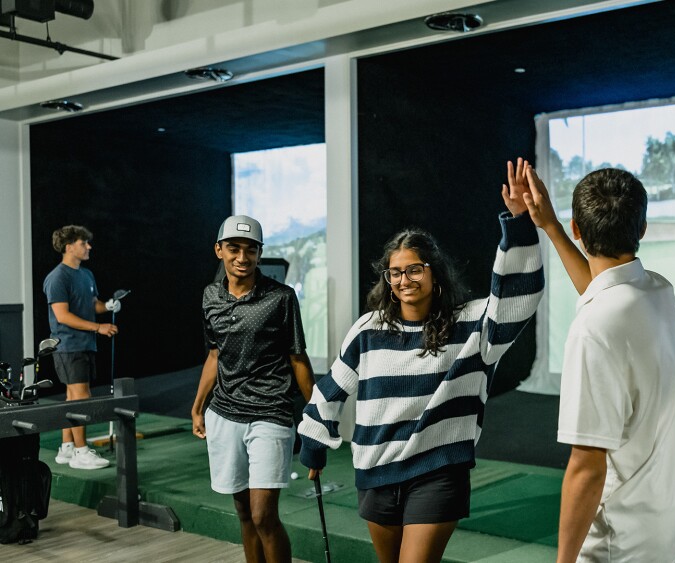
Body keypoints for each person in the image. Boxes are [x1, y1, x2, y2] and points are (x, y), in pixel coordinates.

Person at [297, 166, 544, 563]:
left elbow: (519, 297)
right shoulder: (368, 329)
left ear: (434, 272)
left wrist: (517, 225)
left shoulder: (472, 326)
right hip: (376, 473)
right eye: (395, 272)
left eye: (414, 269)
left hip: (437, 471)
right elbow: (333, 386)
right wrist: (314, 439)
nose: (404, 279)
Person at [514, 158, 675, 562]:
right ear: (642, 228)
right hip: (670, 525)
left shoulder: (594, 328)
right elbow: (603, 291)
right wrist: (551, 227)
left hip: (621, 544)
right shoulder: (658, 291)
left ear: (580, 229)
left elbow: (587, 466)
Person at [191, 215, 314, 563]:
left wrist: (318, 414)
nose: (242, 257)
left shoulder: (281, 298)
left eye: (250, 250)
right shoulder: (210, 297)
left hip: (270, 413)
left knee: (263, 515)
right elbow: (214, 355)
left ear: (260, 253)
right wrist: (199, 406)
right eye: (234, 249)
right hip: (225, 413)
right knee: (244, 514)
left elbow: (297, 358)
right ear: (219, 250)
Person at [44, 225, 121, 470]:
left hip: (84, 345)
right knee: (81, 398)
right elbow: (63, 316)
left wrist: (107, 307)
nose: (89, 247)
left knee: (72, 397)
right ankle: (81, 452)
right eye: (83, 243)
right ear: (69, 247)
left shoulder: (86, 275)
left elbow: (92, 305)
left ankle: (67, 448)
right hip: (68, 346)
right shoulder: (57, 277)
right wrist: (98, 328)